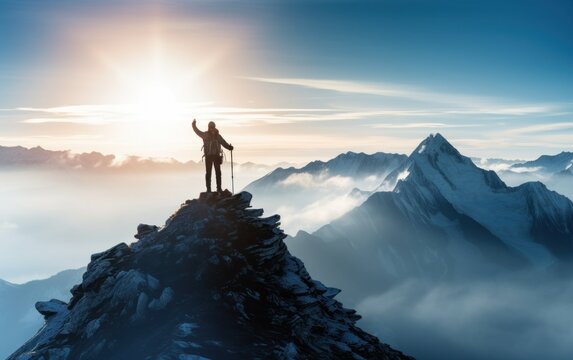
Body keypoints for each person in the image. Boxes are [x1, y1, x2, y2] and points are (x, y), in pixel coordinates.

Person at [192, 119, 234, 193]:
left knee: (216, 173)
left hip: (214, 157)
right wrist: (194, 125)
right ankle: (210, 189)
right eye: (211, 127)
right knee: (210, 173)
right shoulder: (211, 135)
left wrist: (229, 147)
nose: (212, 128)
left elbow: (224, 143)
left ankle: (217, 189)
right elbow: (197, 131)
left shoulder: (211, 136)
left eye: (213, 127)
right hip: (210, 157)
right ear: (209, 127)